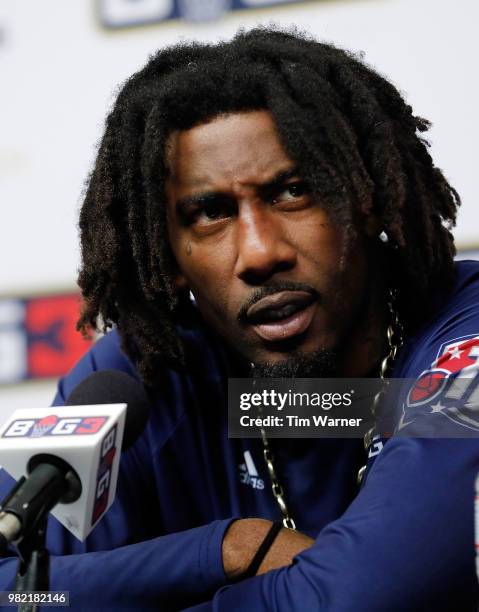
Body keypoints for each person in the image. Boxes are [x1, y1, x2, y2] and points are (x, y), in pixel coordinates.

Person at [1, 26, 478, 611]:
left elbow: (360, 595)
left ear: (367, 194)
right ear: (169, 257)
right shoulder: (145, 376)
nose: (259, 252)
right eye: (209, 213)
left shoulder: (466, 339)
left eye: (293, 192)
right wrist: (225, 548)